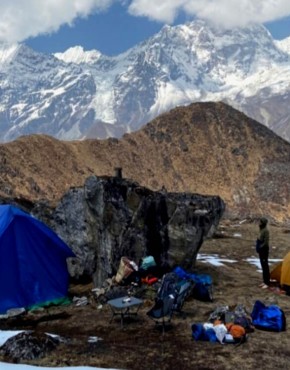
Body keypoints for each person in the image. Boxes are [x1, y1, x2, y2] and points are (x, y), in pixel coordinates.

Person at [257, 217, 270, 288]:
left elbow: (266, 242)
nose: (259, 223)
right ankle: (264, 281)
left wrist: (260, 247)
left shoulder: (266, 231)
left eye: (260, 222)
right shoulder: (261, 230)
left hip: (264, 250)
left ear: (263, 223)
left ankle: (267, 283)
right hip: (261, 250)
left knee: (265, 266)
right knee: (262, 265)